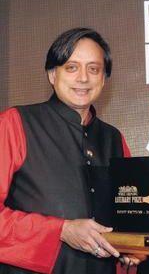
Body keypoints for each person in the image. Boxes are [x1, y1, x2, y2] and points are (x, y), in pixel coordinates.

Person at [0, 28, 137, 273]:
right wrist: (61, 230)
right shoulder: (15, 123)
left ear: (104, 79)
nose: (83, 78)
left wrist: (135, 246)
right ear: (52, 74)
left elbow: (127, 218)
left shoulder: (114, 138)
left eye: (93, 69)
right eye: (71, 67)